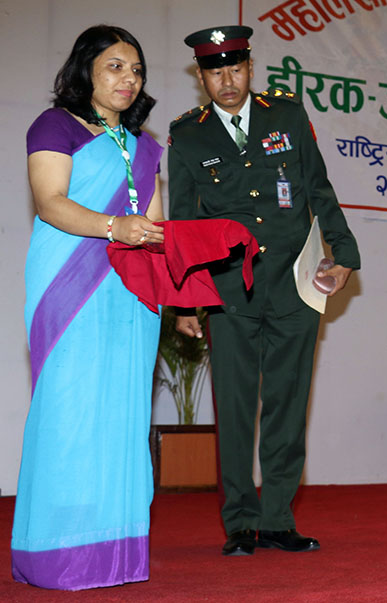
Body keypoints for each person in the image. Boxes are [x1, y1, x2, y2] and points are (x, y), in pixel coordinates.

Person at [168, 25, 360, 557]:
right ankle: (239, 523)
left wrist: (343, 255)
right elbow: (183, 223)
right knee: (233, 410)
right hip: (230, 292)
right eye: (214, 71)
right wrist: (186, 300)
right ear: (201, 76)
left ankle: (277, 517)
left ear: (251, 68)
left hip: (295, 285)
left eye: (235, 68)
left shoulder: (287, 115)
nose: (226, 80)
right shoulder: (188, 136)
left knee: (287, 403)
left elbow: (319, 189)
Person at [11, 25, 165, 589]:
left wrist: (178, 285)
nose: (128, 79)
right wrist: (113, 227)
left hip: (132, 292)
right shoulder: (54, 126)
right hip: (68, 285)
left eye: (137, 70)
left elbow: (153, 227)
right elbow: (50, 202)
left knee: (122, 416)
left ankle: (114, 556)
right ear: (86, 71)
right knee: (70, 411)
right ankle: (55, 555)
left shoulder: (147, 146)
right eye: (115, 67)